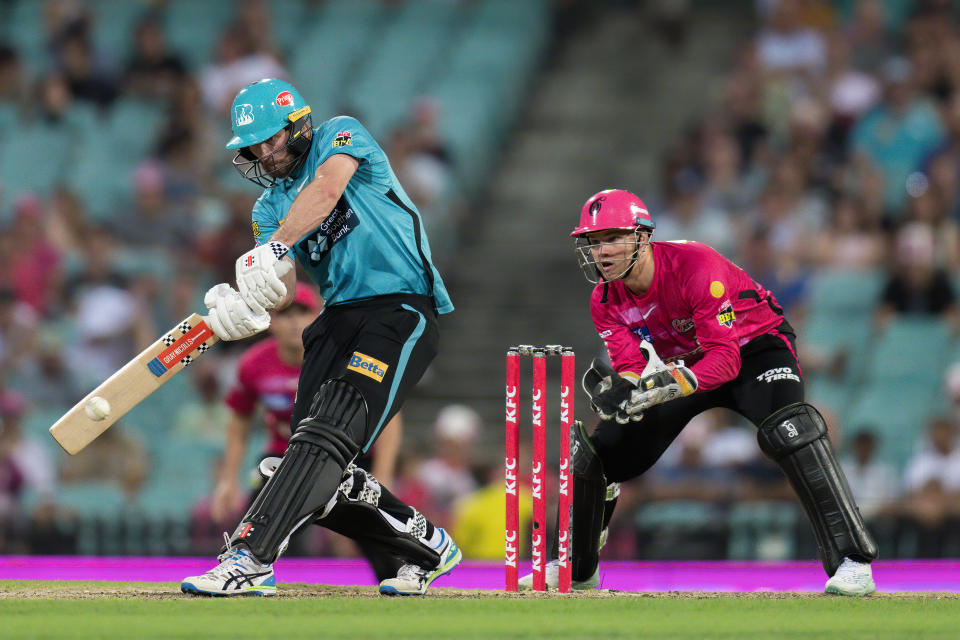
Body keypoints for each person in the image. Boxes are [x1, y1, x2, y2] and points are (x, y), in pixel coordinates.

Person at [520, 188, 877, 596]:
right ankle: (576, 568)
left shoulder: (695, 264)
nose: (602, 252)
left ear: (642, 236)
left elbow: (725, 360)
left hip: (753, 344)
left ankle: (853, 562)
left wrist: (665, 383)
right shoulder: (604, 300)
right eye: (595, 242)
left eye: (613, 238)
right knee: (598, 453)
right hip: (682, 365)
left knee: (790, 429)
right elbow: (634, 368)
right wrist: (629, 393)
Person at [181, 78, 459, 597]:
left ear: (298, 125)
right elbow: (283, 288)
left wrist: (277, 247)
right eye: (254, 147)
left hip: (400, 308)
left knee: (322, 440)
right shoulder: (267, 208)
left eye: (271, 140)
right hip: (335, 321)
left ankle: (249, 558)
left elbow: (327, 191)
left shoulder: (340, 135)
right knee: (306, 462)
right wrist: (247, 299)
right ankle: (428, 546)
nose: (264, 154)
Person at [208, 282, 405, 572]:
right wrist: (228, 480)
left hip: (350, 458)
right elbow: (239, 423)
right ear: (271, 322)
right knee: (254, 524)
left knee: (381, 542)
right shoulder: (252, 365)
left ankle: (400, 589)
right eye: (286, 314)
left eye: (303, 313)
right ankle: (242, 572)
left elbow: (389, 417)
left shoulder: (347, 359)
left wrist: (384, 474)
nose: (294, 322)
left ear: (318, 317)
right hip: (285, 458)